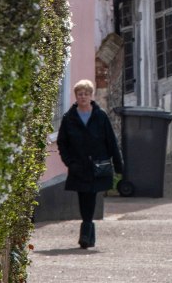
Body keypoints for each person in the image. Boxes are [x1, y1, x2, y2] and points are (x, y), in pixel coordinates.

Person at [56, 79, 123, 249]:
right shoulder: (69, 118)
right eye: (80, 94)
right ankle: (88, 232)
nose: (83, 97)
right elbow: (62, 142)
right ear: (76, 96)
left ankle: (86, 232)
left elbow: (111, 141)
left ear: (91, 95)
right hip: (78, 165)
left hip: (97, 164)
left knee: (91, 196)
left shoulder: (100, 116)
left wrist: (118, 165)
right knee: (83, 196)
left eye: (86, 94)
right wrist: (69, 162)